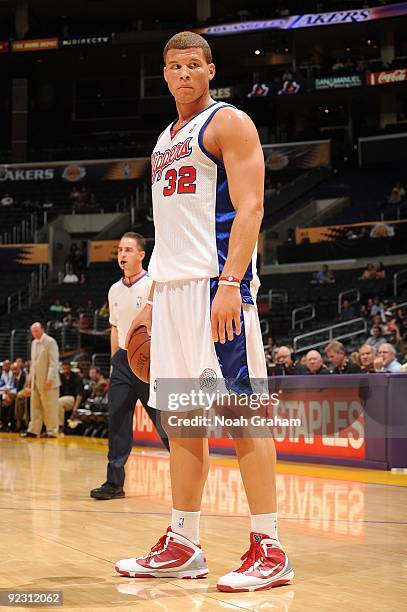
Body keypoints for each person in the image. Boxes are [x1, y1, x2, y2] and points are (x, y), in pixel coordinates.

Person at [115, 31, 294, 592]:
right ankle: (184, 541)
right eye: (175, 66)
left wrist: (231, 283)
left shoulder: (229, 123)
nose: (185, 74)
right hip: (171, 291)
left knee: (242, 416)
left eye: (195, 64)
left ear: (210, 70)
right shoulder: (163, 138)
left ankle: (270, 547)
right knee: (185, 422)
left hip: (217, 288)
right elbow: (171, 231)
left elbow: (251, 208)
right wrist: (151, 296)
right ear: (164, 75)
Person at [90, 232, 169, 501]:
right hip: (123, 361)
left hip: (150, 360)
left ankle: (188, 472)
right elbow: (115, 329)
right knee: (117, 420)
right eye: (119, 250)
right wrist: (114, 363)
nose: (122, 254)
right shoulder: (114, 289)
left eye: (128, 250)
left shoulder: (153, 286)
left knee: (164, 422)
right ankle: (114, 483)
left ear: (141, 255)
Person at [21, 322, 60, 438]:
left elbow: (54, 362)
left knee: (49, 407)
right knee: (35, 406)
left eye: (37, 331)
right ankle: (34, 430)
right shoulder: (33, 343)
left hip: (48, 381)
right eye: (33, 331)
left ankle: (52, 431)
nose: (35, 333)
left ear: (42, 330)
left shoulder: (50, 342)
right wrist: (29, 381)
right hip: (35, 381)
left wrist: (50, 379)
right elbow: (33, 364)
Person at [58, 362, 84, 431]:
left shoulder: (77, 377)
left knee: (59, 403)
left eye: (67, 368)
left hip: (72, 398)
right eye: (64, 369)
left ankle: (60, 426)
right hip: (61, 398)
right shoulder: (60, 377)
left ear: (70, 369)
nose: (65, 370)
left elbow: (79, 395)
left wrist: (75, 409)